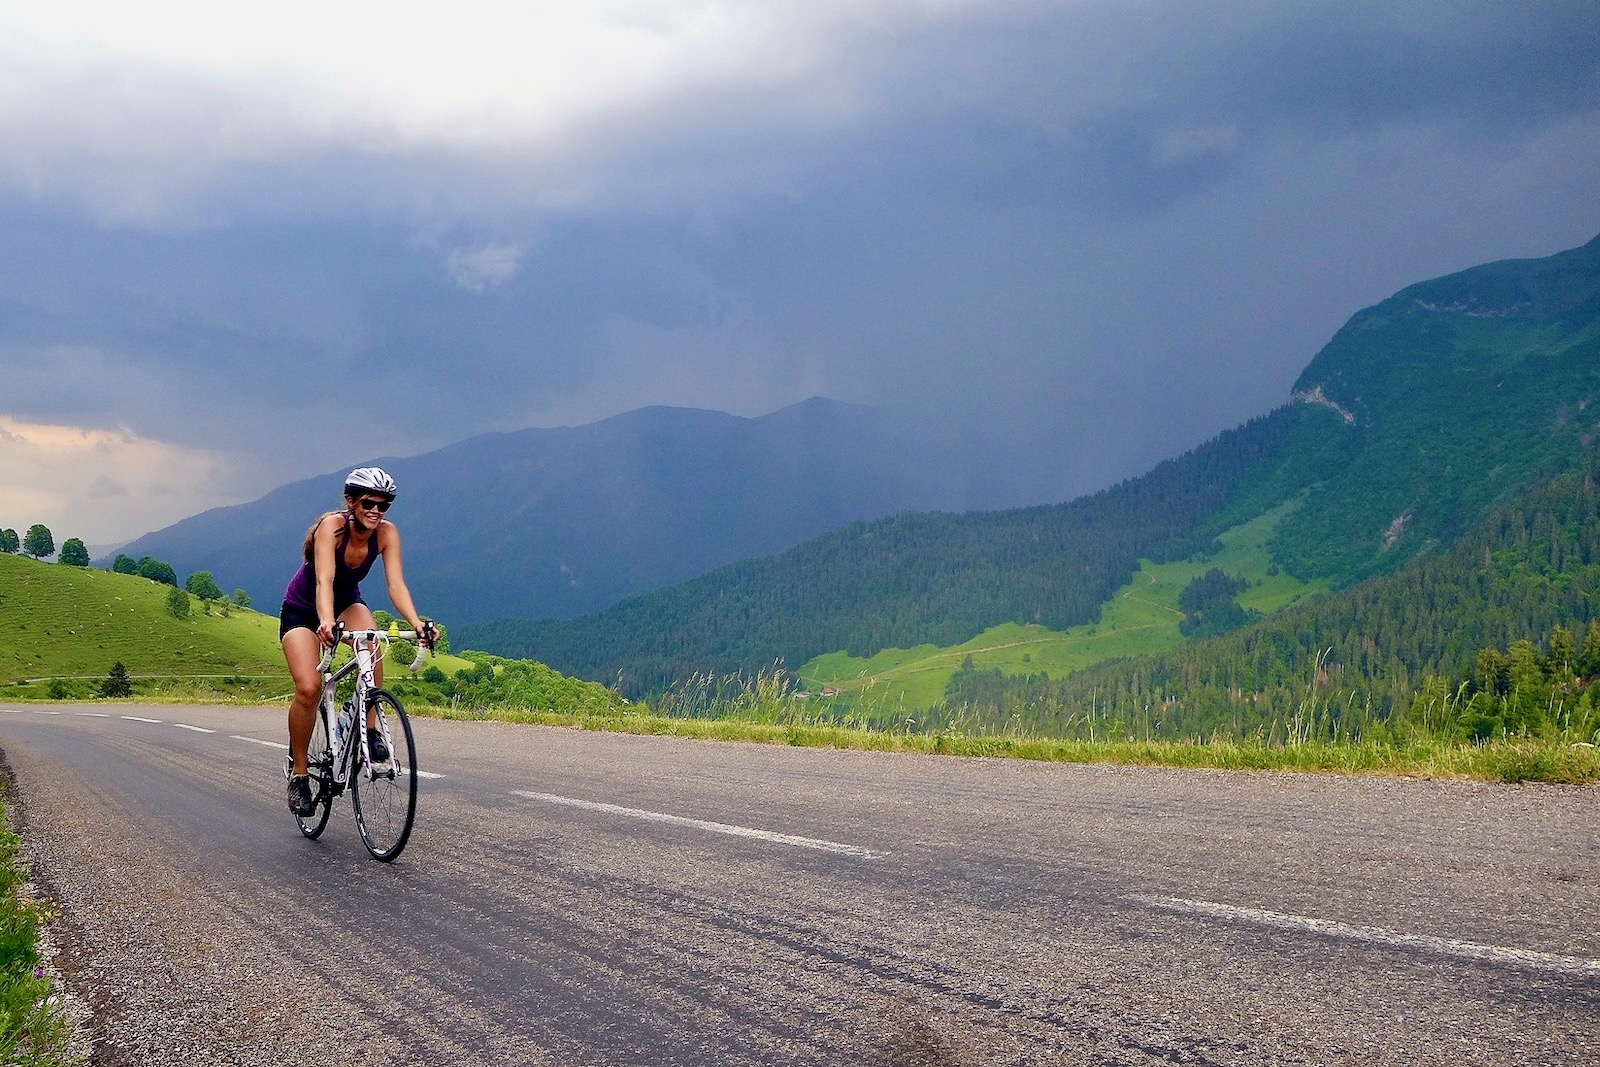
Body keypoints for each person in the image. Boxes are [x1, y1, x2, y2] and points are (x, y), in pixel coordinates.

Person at [280, 467, 435, 815]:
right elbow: (324, 580)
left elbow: (396, 585)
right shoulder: (331, 529)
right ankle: (300, 774)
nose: (376, 510)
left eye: (384, 505)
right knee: (309, 687)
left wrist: (417, 623)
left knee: (372, 645)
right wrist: (324, 621)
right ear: (351, 502)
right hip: (303, 610)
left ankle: (369, 726)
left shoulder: (386, 534)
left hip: (347, 603)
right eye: (369, 502)